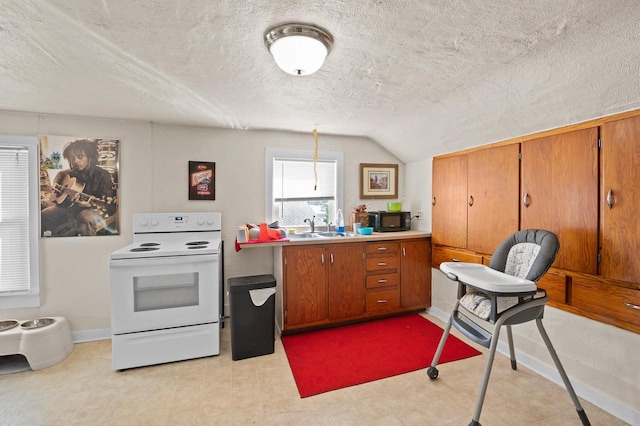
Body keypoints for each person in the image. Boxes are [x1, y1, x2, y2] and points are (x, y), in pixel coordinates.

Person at [41, 139, 117, 237]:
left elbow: (108, 202)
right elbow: (55, 191)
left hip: (92, 209)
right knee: (45, 214)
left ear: (89, 157)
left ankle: (87, 247)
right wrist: (57, 189)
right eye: (72, 157)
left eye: (80, 157)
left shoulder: (102, 175)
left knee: (85, 218)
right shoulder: (64, 174)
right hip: (66, 207)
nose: (76, 161)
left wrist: (88, 204)